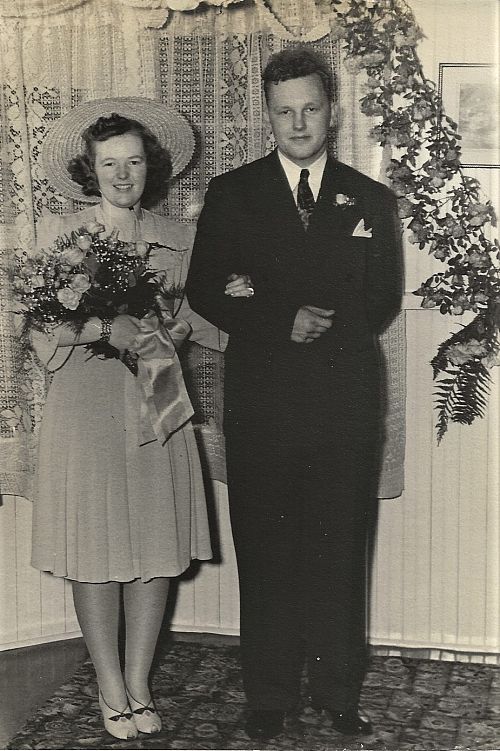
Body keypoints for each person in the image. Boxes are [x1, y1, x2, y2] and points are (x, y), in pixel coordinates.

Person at [185, 47, 403, 741]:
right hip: (264, 406)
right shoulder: (233, 193)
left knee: (339, 550)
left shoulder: (370, 199)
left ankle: (339, 692)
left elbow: (381, 298)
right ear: (268, 114)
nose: (299, 123)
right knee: (267, 548)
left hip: (345, 403)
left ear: (332, 112)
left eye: (311, 108)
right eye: (285, 112)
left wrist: (272, 296)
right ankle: (269, 694)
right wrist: (283, 316)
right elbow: (206, 288)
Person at [28, 99, 226, 741]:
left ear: (150, 168)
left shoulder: (178, 239)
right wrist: (100, 327)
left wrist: (178, 327)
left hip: (157, 399)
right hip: (85, 407)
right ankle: (109, 686)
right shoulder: (60, 237)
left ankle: (139, 682)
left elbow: (199, 319)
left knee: (154, 547)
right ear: (89, 170)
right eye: (109, 163)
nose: (122, 175)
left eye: (134, 162)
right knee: (97, 547)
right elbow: (40, 333)